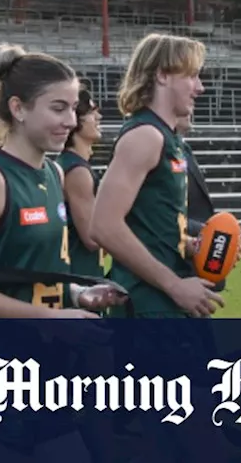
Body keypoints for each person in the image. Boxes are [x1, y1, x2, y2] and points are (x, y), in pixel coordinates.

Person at [0, 46, 122, 319]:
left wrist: (73, 294)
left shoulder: (54, 173)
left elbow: (33, 273)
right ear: (18, 108)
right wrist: (47, 318)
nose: (70, 121)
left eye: (73, 109)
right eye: (58, 108)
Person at [89, 33, 221, 319]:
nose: (200, 87)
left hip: (166, 300)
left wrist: (191, 246)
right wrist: (174, 285)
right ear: (162, 75)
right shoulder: (145, 136)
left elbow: (151, 226)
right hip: (149, 302)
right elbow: (103, 225)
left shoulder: (166, 137)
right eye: (193, 76)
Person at [56, 85, 106, 278]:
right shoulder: (77, 171)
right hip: (82, 275)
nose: (99, 118)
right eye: (92, 112)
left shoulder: (77, 165)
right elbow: (92, 237)